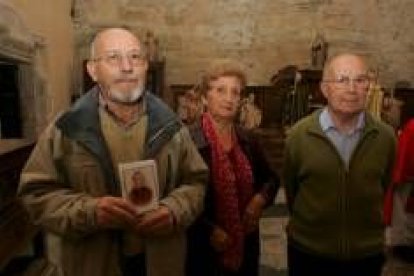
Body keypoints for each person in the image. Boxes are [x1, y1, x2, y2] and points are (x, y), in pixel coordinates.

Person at [18, 27, 208, 276]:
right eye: (113, 58)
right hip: (92, 263)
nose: (127, 67)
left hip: (159, 262)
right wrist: (90, 212)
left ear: (145, 67)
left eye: (135, 57)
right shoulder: (65, 130)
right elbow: (36, 195)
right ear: (93, 70)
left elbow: (196, 183)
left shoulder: (173, 127)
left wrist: (174, 210)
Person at [283, 53, 396, 276]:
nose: (352, 89)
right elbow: (292, 191)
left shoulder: (385, 137)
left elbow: (384, 186)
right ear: (325, 89)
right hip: (310, 253)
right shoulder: (299, 135)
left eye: (360, 80)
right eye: (342, 80)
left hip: (366, 254)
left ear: (368, 88)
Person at [185, 60, 280, 276]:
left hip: (246, 243)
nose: (229, 98)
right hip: (204, 249)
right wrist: (208, 231)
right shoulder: (187, 141)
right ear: (204, 98)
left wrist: (259, 200)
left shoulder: (248, 139)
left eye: (235, 92)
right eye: (220, 90)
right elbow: (175, 194)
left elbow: (271, 179)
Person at [383, 118, 414, 275]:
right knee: (404, 213)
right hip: (408, 179)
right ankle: (403, 245)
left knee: (404, 213)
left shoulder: (411, 126)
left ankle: (404, 246)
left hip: (408, 179)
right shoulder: (412, 126)